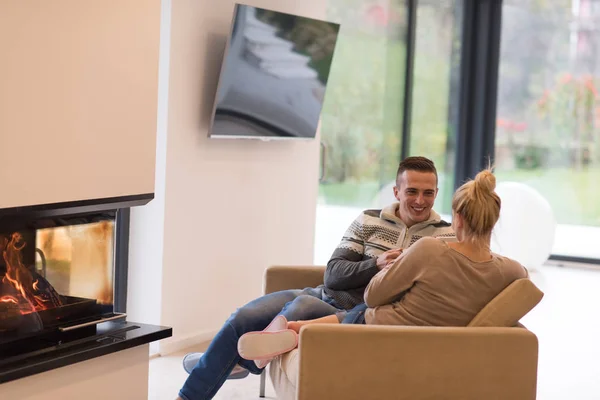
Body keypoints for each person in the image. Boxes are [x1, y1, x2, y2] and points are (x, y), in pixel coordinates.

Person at [177, 156, 455, 400]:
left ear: (437, 193)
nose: (420, 201)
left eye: (428, 193)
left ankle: (235, 361)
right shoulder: (368, 220)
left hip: (353, 314)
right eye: (412, 191)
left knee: (299, 311)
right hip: (321, 293)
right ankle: (192, 393)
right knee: (244, 315)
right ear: (397, 191)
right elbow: (333, 274)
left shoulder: (444, 236)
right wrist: (376, 264)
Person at [236, 168, 529, 361]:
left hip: (384, 328)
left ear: (459, 218)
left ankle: (296, 330)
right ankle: (297, 329)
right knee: (349, 313)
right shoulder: (514, 272)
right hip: (441, 343)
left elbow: (372, 297)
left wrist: (393, 266)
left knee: (364, 312)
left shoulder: (429, 249)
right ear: (494, 220)